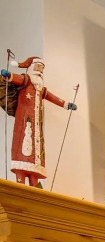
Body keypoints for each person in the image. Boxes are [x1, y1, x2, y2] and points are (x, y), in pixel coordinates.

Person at [1, 57, 77, 188]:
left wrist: (66, 104)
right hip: (24, 121)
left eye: (42, 68)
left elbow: (52, 97)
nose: (40, 70)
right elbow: (14, 78)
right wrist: (8, 75)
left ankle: (34, 185)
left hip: (37, 125)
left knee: (36, 155)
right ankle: (20, 186)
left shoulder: (40, 88)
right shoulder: (26, 80)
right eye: (38, 66)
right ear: (32, 67)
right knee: (22, 146)